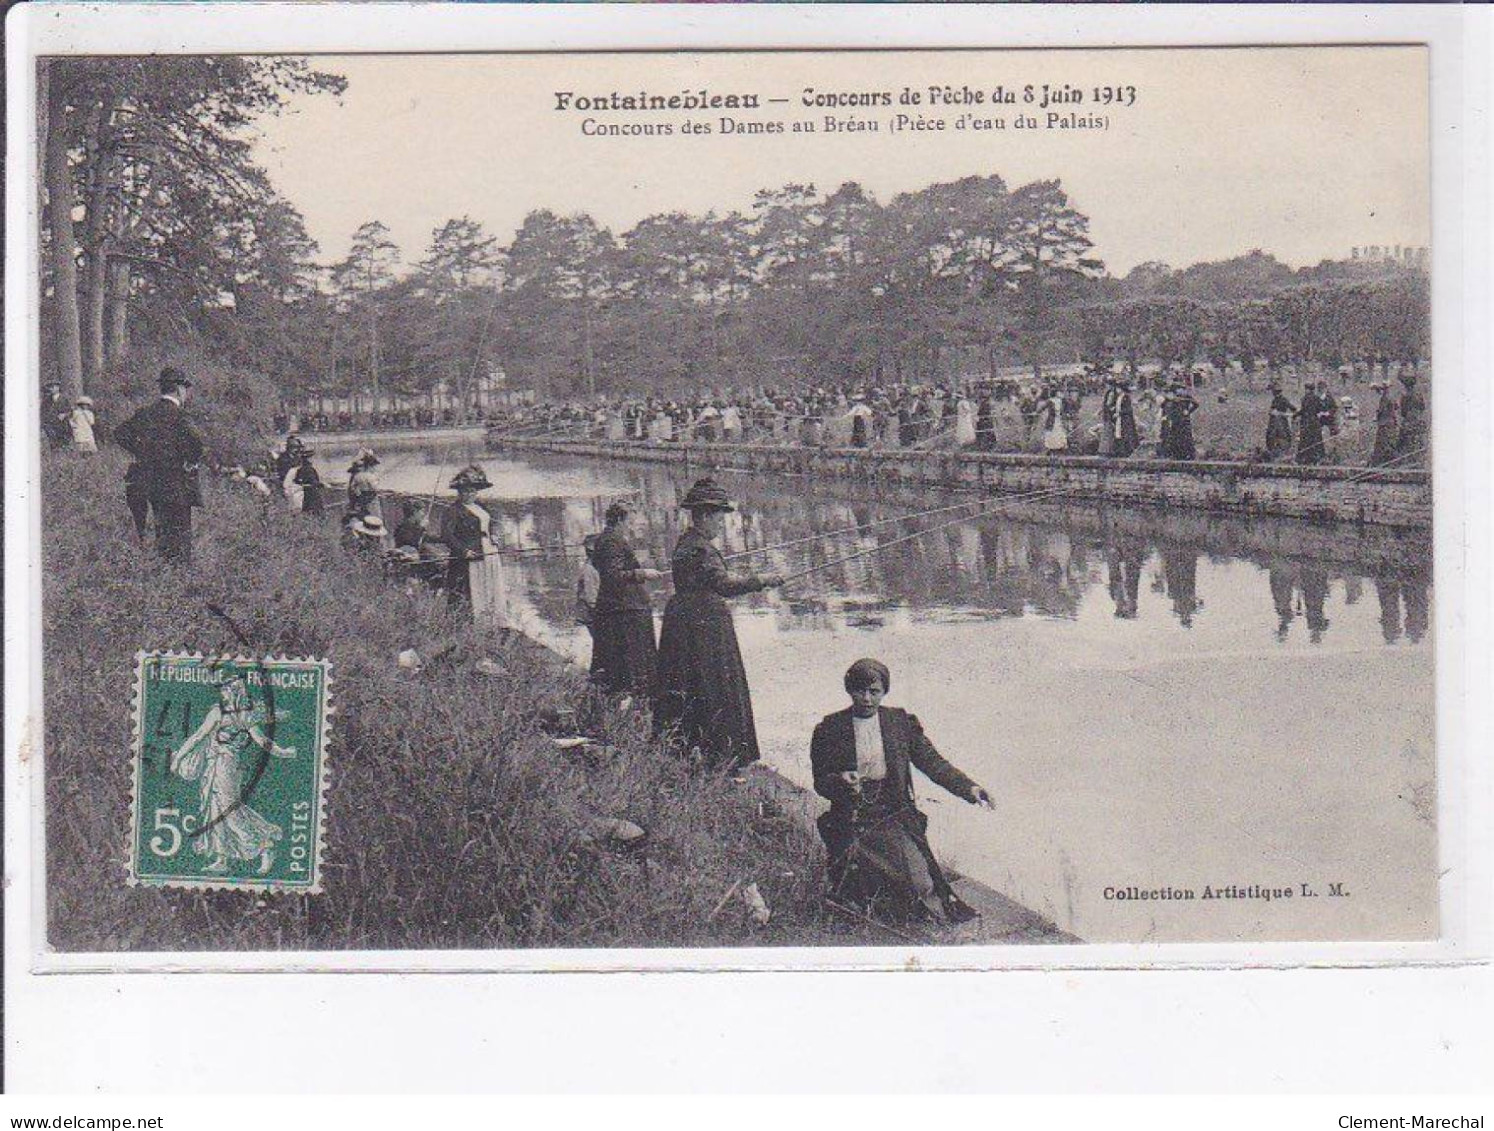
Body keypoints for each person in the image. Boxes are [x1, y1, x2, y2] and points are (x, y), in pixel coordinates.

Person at [811, 658, 991, 925]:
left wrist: (970, 788)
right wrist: (840, 780)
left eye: (875, 691)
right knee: (860, 887)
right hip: (852, 815)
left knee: (920, 884)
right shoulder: (830, 728)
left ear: (885, 691)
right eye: (860, 691)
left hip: (894, 814)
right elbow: (820, 783)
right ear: (849, 690)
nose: (867, 699)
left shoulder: (900, 723)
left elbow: (933, 762)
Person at [654, 477, 783, 769]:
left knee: (691, 685)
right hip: (704, 628)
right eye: (718, 518)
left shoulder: (689, 544)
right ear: (704, 516)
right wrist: (761, 580)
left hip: (686, 622)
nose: (721, 524)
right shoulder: (700, 549)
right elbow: (723, 585)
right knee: (715, 687)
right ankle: (720, 754)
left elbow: (709, 578)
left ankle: (689, 747)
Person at [167, 674, 296, 875]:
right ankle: (221, 858)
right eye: (223, 690)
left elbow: (262, 741)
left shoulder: (245, 716)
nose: (223, 693)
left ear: (235, 692)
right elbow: (197, 737)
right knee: (214, 809)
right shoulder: (217, 713)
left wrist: (283, 752)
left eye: (227, 690)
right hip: (213, 766)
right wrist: (178, 758)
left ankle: (264, 846)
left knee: (229, 810)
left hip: (228, 767)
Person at [114, 367, 204, 564]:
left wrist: (141, 451)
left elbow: (120, 433)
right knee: (180, 537)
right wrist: (190, 461)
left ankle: (163, 571)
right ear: (179, 389)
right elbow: (197, 443)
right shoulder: (180, 416)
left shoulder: (146, 413)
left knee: (161, 531)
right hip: (177, 483)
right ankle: (179, 578)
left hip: (150, 483)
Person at [589, 500, 662, 695]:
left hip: (619, 610)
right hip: (623, 613)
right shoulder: (612, 540)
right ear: (620, 519)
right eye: (630, 521)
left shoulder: (607, 539)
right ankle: (633, 703)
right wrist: (643, 573)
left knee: (618, 670)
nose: (632, 527)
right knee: (629, 669)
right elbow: (613, 576)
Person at [440, 465, 497, 617]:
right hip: (468, 557)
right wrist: (463, 551)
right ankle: (469, 622)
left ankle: (489, 617)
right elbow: (447, 535)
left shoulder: (480, 507)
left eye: (473, 490)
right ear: (459, 492)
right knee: (468, 589)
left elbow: (489, 524)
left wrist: (495, 536)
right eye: (465, 491)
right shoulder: (453, 511)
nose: (470, 494)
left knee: (488, 585)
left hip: (487, 550)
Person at [1160, 381, 1199, 461]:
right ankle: (1177, 454)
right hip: (1176, 418)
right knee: (1176, 435)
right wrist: (1166, 415)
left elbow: (1196, 404)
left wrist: (1188, 411)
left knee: (1184, 436)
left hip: (1182, 418)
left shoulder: (1185, 396)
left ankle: (1187, 453)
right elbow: (1163, 405)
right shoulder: (1171, 397)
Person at [345, 449, 384, 527]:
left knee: (364, 517)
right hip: (372, 501)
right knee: (376, 518)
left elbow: (353, 489)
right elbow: (375, 488)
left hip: (361, 500)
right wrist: (377, 481)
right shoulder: (371, 477)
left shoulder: (357, 476)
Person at [1395, 372, 1426, 466]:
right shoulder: (1419, 395)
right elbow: (1423, 407)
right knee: (1418, 443)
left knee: (1403, 443)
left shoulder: (1405, 396)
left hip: (1409, 421)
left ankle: (1406, 462)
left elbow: (1403, 412)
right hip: (1418, 420)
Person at [1369, 381, 1400, 467]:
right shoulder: (1392, 397)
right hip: (1392, 422)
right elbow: (1397, 407)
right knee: (1390, 442)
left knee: (1382, 444)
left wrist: (1376, 417)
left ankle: (1381, 463)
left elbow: (1380, 410)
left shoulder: (1384, 398)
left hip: (1384, 423)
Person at [576, 534, 601, 639]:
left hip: (594, 612)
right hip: (593, 614)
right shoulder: (589, 569)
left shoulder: (594, 567)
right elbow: (591, 598)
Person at [1265, 382, 1297, 462]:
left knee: (1282, 436)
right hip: (1273, 421)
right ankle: (1274, 453)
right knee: (1271, 436)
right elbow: (1271, 410)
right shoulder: (1275, 400)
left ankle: (1281, 453)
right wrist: (1272, 412)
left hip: (1281, 422)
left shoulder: (1284, 400)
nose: (1273, 393)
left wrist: (1283, 414)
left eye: (1274, 392)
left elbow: (1294, 409)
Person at [1296, 382, 1326, 465]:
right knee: (1316, 440)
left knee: (1305, 440)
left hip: (1306, 421)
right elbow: (1321, 408)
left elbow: (1303, 410)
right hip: (1315, 421)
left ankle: (1304, 458)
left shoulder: (1304, 398)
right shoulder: (1317, 398)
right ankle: (1317, 458)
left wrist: (1295, 415)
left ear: (1308, 389)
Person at [293, 449, 324, 516]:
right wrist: (321, 485)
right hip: (312, 493)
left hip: (305, 493)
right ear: (308, 459)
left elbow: (296, 481)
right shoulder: (309, 469)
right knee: (316, 511)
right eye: (311, 458)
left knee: (307, 509)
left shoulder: (300, 469)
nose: (313, 459)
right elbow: (313, 482)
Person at [41, 381, 71, 449]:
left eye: (53, 387)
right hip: (51, 423)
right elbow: (43, 411)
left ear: (58, 388)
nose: (51, 389)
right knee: (52, 440)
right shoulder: (46, 400)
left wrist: (64, 415)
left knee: (63, 441)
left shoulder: (64, 399)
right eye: (50, 387)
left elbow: (70, 411)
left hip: (62, 424)